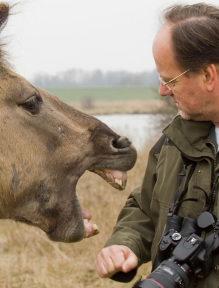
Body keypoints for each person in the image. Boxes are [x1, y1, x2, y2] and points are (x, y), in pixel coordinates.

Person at [95, 3, 219, 287]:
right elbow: (146, 206)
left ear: (208, 76)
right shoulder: (175, 141)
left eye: (169, 80)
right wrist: (124, 246)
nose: (163, 91)